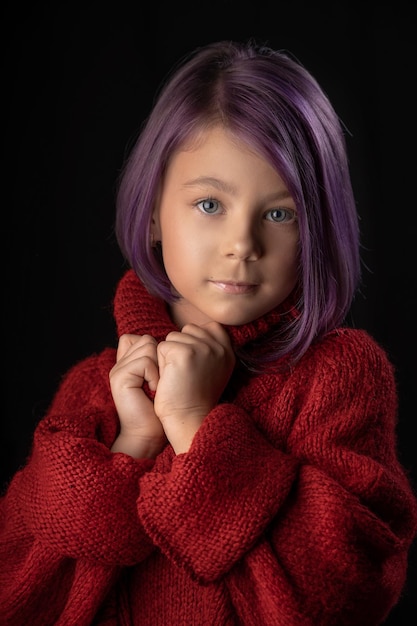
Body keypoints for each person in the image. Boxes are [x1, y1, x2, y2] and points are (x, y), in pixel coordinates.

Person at [1, 39, 416, 626]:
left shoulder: (341, 375)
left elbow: (349, 589)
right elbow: (20, 591)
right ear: (151, 214)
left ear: (318, 229)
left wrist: (196, 427)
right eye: (209, 205)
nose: (242, 244)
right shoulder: (99, 387)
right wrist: (134, 446)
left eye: (280, 214)